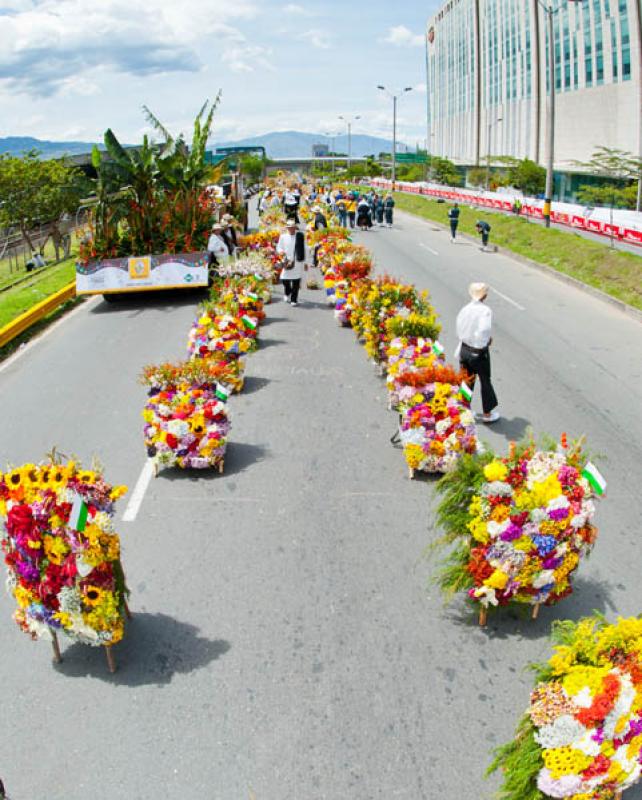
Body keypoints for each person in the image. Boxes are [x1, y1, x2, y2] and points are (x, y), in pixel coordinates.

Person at [456, 282, 500, 423]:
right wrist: (484, 343)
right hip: (478, 352)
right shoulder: (485, 310)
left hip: (464, 349)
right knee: (485, 380)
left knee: (466, 380)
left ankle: (465, 410)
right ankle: (487, 414)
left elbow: (460, 327)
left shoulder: (465, 309)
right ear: (485, 295)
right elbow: (483, 330)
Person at [276, 219, 306, 306]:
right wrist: (281, 252)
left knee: (296, 281)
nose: (291, 229)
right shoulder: (283, 236)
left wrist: (305, 262)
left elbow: (304, 248)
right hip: (286, 261)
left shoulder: (299, 236)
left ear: (295, 228)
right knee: (284, 279)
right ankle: (287, 291)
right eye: (289, 227)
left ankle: (294, 299)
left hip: (297, 261)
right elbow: (279, 247)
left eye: (292, 227)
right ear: (287, 228)